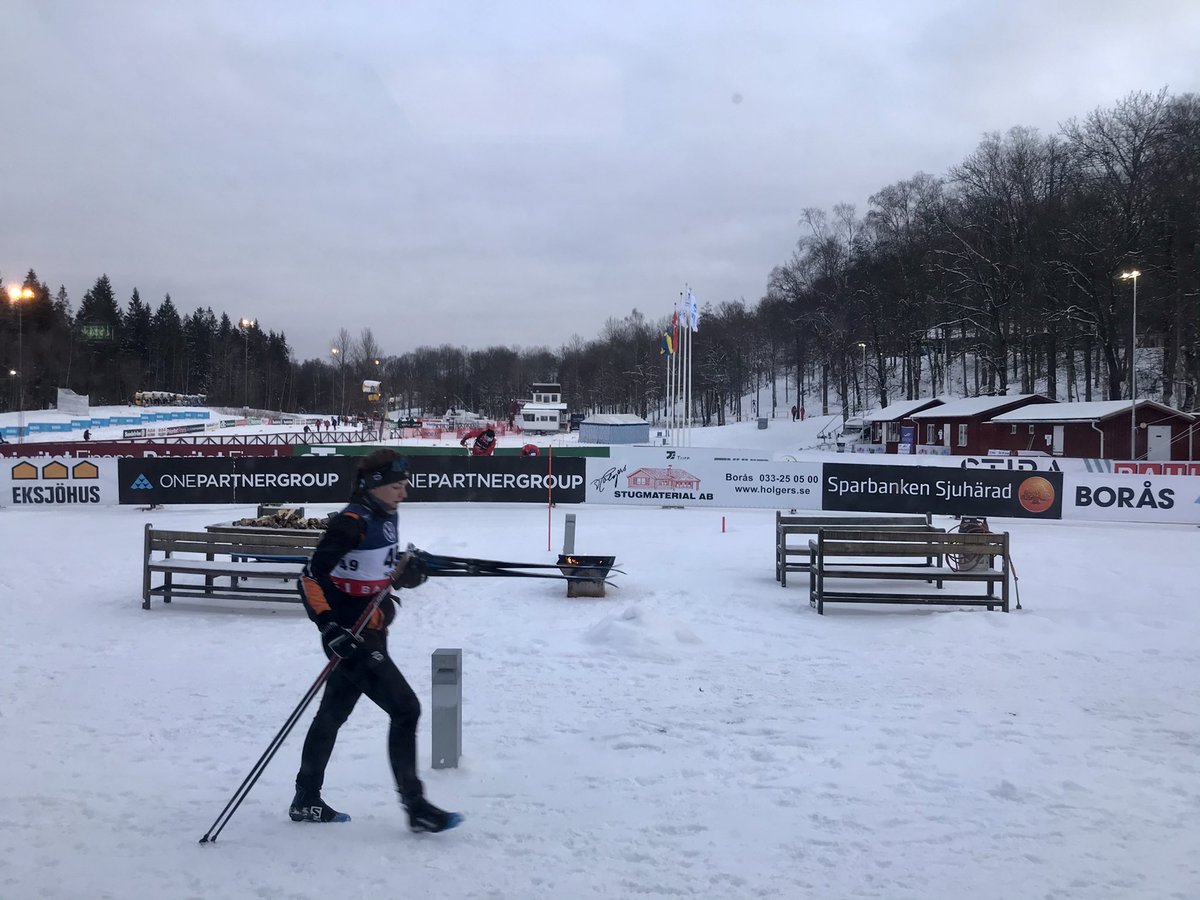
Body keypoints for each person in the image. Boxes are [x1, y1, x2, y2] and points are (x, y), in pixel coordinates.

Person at [293, 449, 460, 834]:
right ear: (375, 486)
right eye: (398, 486)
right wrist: (329, 628)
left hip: (372, 631)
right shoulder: (350, 522)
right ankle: (415, 806)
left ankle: (305, 797)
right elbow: (309, 577)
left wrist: (402, 573)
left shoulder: (387, 515)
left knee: (332, 715)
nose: (405, 493)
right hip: (349, 637)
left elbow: (375, 571)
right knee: (406, 710)